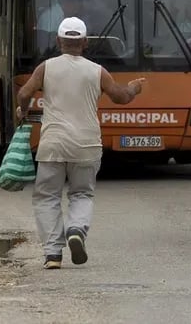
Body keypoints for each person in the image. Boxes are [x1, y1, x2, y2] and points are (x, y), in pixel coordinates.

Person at [16, 17, 146, 270]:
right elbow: (121, 97)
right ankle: (76, 230)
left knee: (47, 197)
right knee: (82, 193)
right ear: (85, 42)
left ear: (58, 41)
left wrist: (22, 111)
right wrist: (133, 89)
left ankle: (53, 253)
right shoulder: (97, 71)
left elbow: (23, 93)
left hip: (53, 144)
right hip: (86, 145)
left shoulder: (46, 68)